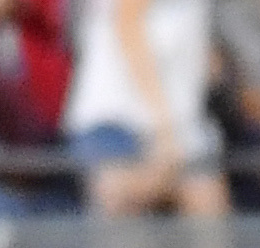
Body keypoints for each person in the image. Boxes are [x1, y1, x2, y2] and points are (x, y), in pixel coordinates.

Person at [63, 0, 229, 214]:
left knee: (211, 221)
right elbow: (128, 27)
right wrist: (164, 127)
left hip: (182, 124)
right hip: (117, 120)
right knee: (128, 225)